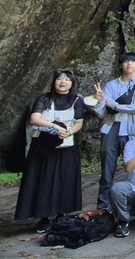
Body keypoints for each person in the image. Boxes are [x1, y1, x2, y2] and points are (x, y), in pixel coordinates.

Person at [15, 69, 85, 233]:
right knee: (43, 180)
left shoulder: (77, 100)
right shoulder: (44, 98)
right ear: (54, 82)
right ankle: (43, 217)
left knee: (65, 178)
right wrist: (55, 126)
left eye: (67, 79)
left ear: (72, 83)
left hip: (66, 144)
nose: (63, 82)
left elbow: (79, 122)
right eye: (59, 79)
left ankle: (62, 214)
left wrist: (69, 132)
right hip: (44, 145)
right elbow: (34, 118)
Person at [91, 52, 135, 212]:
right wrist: (99, 101)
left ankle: (132, 204)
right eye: (126, 61)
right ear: (120, 65)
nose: (129, 64)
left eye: (133, 61)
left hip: (133, 129)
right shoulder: (111, 85)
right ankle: (103, 206)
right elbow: (102, 112)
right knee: (107, 169)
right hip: (112, 127)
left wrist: (115, 105)